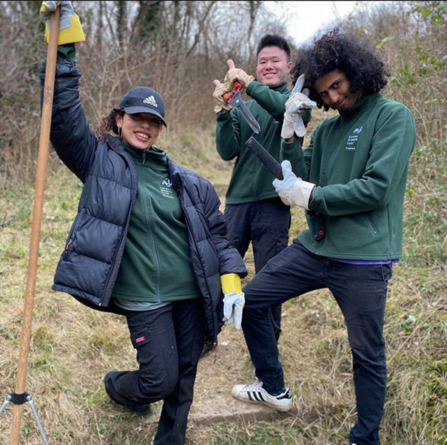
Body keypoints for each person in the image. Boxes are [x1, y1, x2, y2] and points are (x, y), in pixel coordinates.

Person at [39, 2, 247, 444]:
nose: (146, 127)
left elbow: (215, 233)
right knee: (158, 381)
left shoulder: (187, 180)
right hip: (144, 296)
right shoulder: (99, 161)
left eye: (154, 122)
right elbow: (61, 115)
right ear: (119, 119)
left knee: (184, 381)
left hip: (192, 292)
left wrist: (231, 278)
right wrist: (65, 50)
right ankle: (120, 387)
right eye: (137, 118)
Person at [231, 29, 416, 445]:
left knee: (366, 354)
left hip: (363, 257)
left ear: (357, 72)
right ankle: (273, 385)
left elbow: (376, 188)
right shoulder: (329, 131)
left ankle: (365, 438)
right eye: (323, 92)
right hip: (315, 248)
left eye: (337, 85)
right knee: (252, 302)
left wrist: (311, 195)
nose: (332, 97)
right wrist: (291, 135)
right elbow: (300, 173)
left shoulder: (393, 117)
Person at [212, 35, 310, 346]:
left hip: (274, 203)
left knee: (270, 279)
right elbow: (227, 151)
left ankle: (267, 348)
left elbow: (283, 110)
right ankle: (206, 332)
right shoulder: (246, 105)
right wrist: (223, 113)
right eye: (262, 62)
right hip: (238, 201)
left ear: (288, 66)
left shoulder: (297, 101)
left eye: (275, 61)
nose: (268, 66)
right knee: (220, 268)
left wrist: (250, 84)